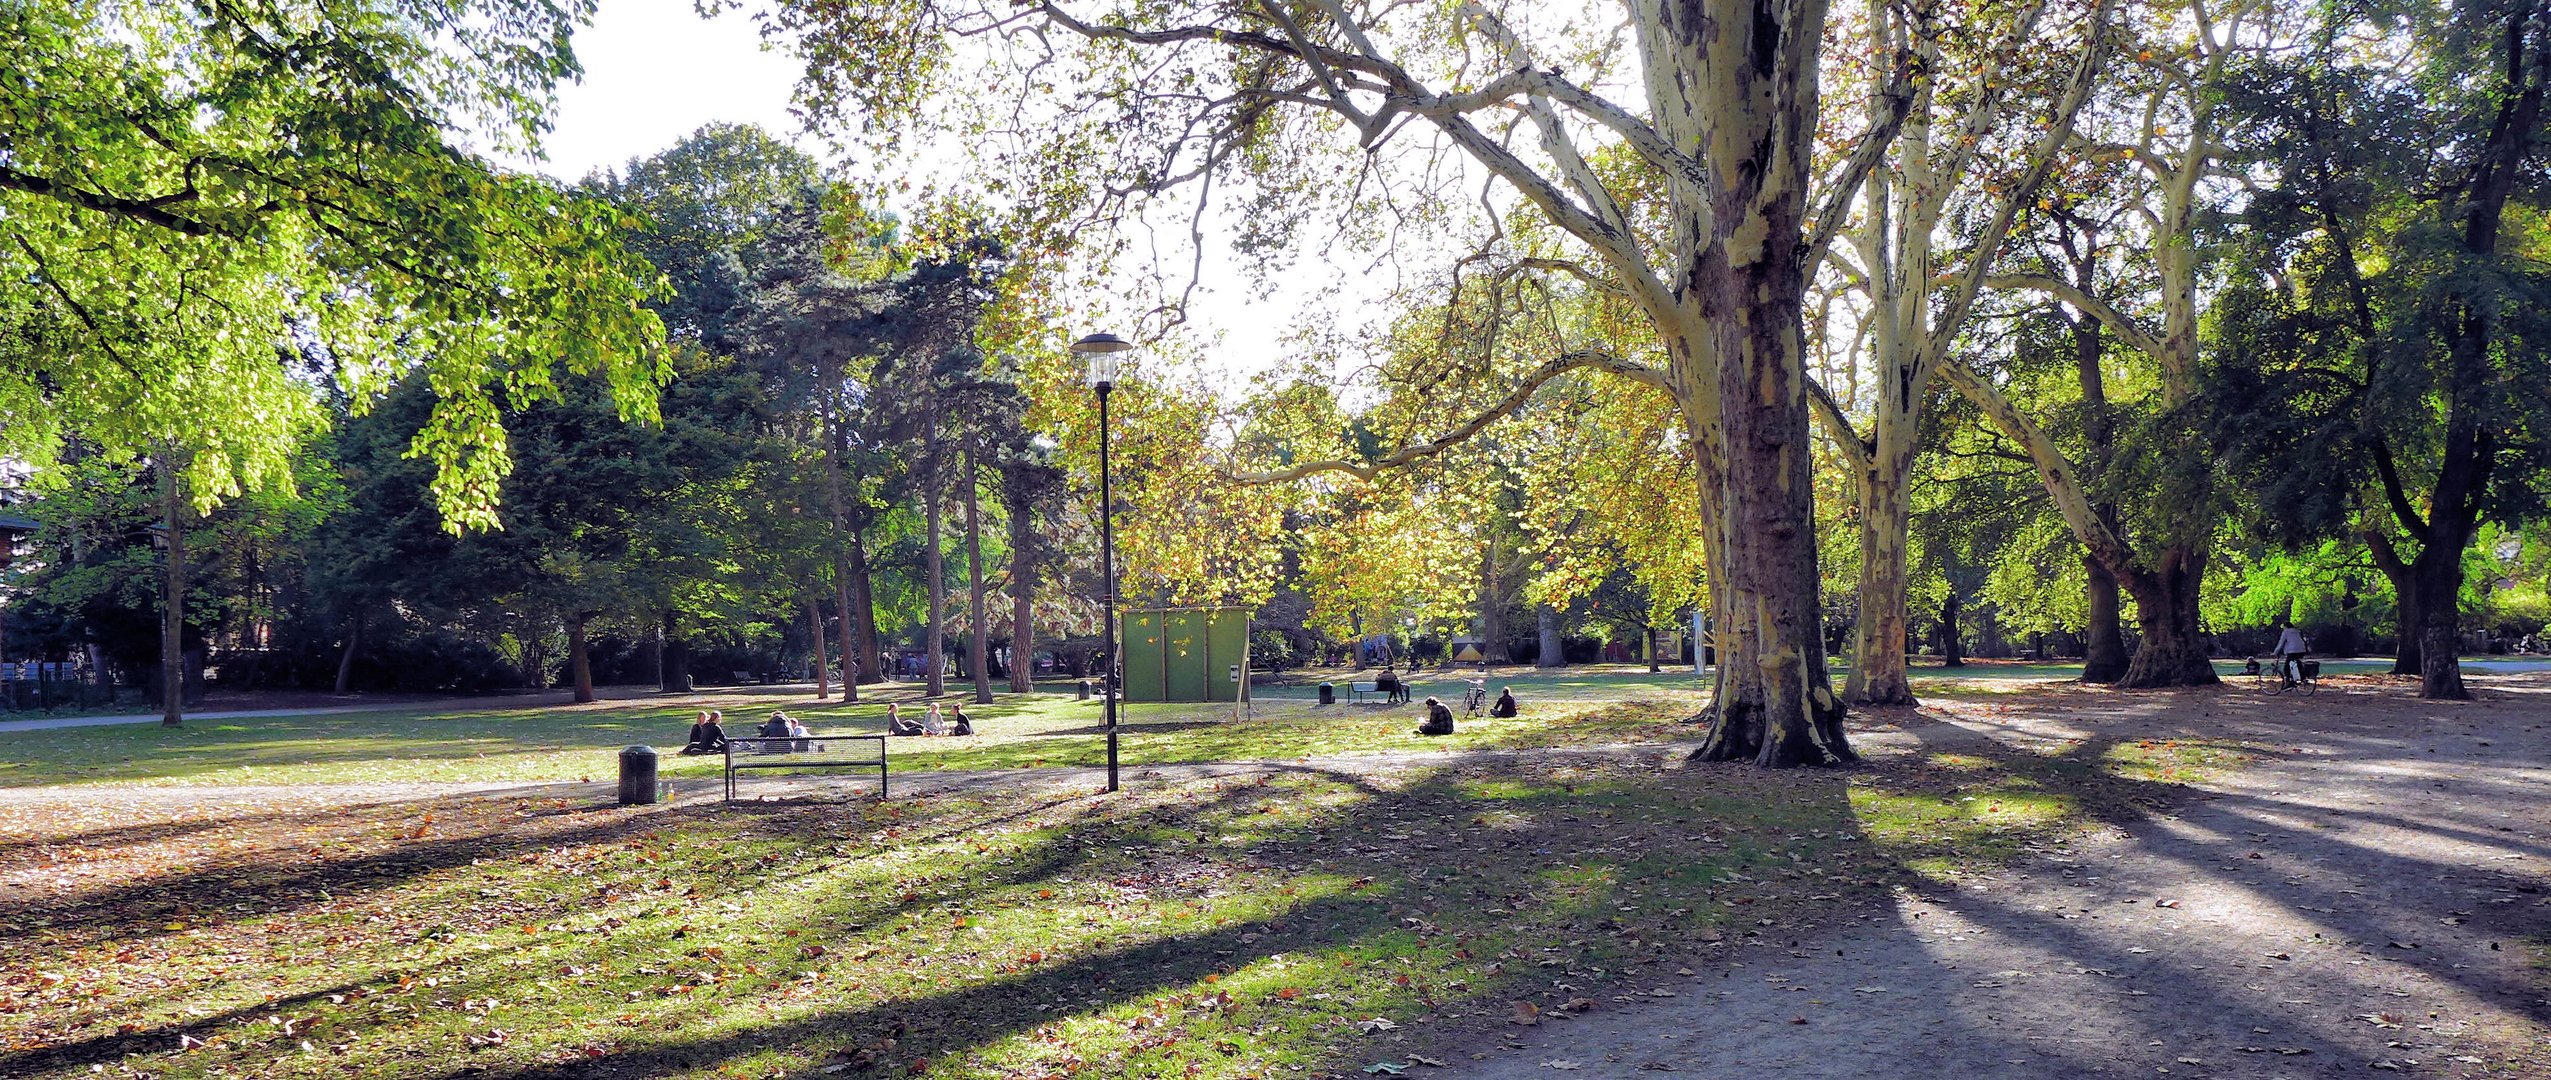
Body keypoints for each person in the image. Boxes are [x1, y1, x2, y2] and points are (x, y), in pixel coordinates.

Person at [2273, 621, 2310, 685]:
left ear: (2286, 626)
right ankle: (2303, 679)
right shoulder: (2297, 631)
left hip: (2293, 651)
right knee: (2297, 664)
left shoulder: (2286, 632)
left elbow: (2281, 643)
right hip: (2302, 650)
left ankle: (2288, 682)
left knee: (2286, 668)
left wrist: (2275, 652)